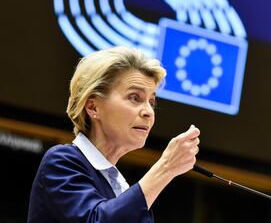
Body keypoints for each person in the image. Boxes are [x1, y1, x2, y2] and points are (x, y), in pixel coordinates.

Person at [27, 46, 200, 222]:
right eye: (135, 97)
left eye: (152, 102)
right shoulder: (61, 161)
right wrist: (165, 168)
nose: (149, 111)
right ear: (93, 107)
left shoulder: (122, 189)